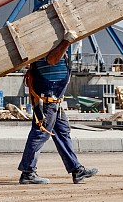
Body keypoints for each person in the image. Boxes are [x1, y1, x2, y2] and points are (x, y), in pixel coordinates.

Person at [19, 40, 97, 185]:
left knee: (62, 133)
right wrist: (66, 42)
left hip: (55, 100)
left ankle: (76, 170)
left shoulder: (51, 41)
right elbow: (51, 60)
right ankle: (28, 172)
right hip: (47, 100)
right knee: (40, 133)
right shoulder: (45, 41)